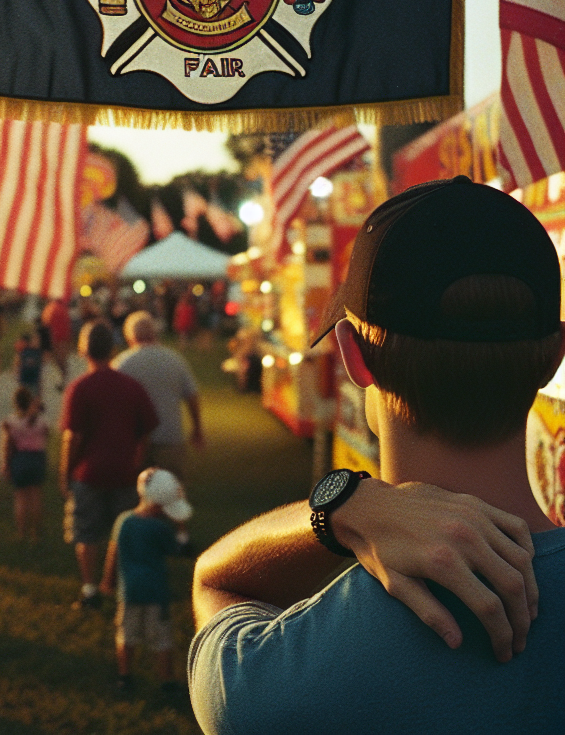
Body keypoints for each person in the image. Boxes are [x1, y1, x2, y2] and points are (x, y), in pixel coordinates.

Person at [189, 177, 565, 734]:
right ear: (553, 358)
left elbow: (216, 581)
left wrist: (341, 508)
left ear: (353, 357)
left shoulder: (276, 684)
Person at [59, 320, 159, 609]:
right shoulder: (131, 386)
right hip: (125, 473)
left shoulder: (80, 388)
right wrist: (137, 460)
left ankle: (90, 589)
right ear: (113, 349)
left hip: (89, 473)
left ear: (83, 350)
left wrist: (65, 472)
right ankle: (117, 584)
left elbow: (73, 438)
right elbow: (146, 429)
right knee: (123, 530)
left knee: (87, 532)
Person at [100, 468, 192, 696]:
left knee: (126, 635)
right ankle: (166, 681)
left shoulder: (124, 521)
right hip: (156, 594)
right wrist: (181, 529)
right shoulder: (161, 528)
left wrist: (107, 581)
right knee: (162, 639)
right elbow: (176, 550)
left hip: (129, 593)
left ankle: (125, 678)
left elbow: (113, 552)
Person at [114, 311, 203, 479]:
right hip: (170, 437)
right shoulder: (174, 360)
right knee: (170, 492)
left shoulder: (122, 363)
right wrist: (197, 428)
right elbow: (192, 395)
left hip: (134, 441)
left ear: (129, 336)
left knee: (138, 492)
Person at [1, 386, 50, 543]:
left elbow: (8, 445)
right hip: (37, 458)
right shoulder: (41, 421)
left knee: (21, 497)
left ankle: (22, 533)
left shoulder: (10, 422)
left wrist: (6, 464)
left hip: (19, 459)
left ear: (15, 404)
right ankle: (37, 532)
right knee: (36, 496)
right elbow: (47, 435)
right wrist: (37, 409)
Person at [41, 298, 73, 387]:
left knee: (59, 361)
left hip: (55, 339)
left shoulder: (50, 308)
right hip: (62, 338)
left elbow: (45, 323)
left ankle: (64, 381)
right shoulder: (63, 308)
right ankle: (64, 379)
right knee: (62, 361)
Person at [15, 328, 43, 400]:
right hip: (24, 377)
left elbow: (40, 364)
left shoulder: (39, 352)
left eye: (38, 340)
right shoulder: (25, 351)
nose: (37, 342)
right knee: (25, 393)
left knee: (36, 392)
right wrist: (17, 372)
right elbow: (18, 362)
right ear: (30, 341)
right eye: (35, 340)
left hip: (35, 378)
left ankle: (37, 403)